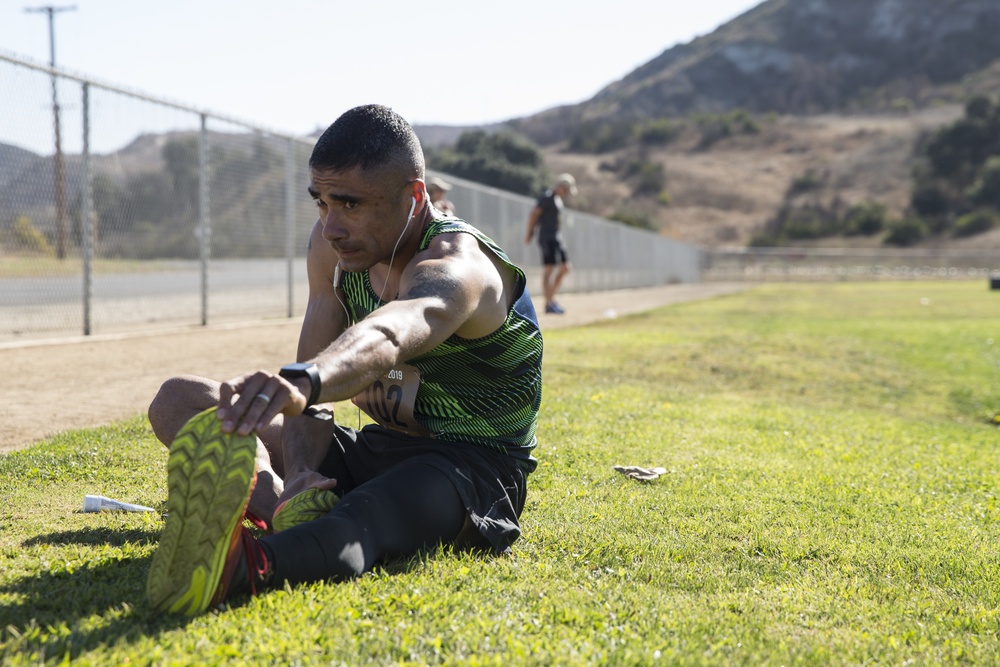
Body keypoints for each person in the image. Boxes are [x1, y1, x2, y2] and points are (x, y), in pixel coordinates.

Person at [145, 104, 543, 616]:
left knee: (364, 518)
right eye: (321, 202)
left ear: (414, 196)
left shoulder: (460, 265)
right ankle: (279, 506)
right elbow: (310, 397)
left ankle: (245, 567)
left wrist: (306, 380)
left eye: (350, 204)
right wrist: (301, 472)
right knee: (181, 398)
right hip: (375, 448)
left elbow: (391, 332)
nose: (330, 226)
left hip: (470, 468)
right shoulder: (335, 250)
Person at [525, 173, 577, 314]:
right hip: (547, 237)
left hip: (556, 237)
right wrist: (529, 233)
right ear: (561, 187)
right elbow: (534, 214)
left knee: (565, 267)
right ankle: (548, 303)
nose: (566, 194)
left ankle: (551, 299)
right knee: (549, 269)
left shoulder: (557, 200)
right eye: (566, 190)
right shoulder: (547, 198)